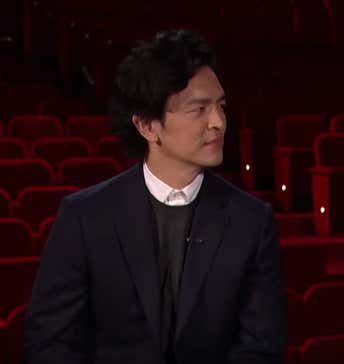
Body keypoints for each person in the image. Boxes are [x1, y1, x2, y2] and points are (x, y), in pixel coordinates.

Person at [23, 29, 286, 363]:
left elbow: (261, 348)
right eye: (199, 109)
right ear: (148, 126)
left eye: (220, 106)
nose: (218, 122)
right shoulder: (85, 217)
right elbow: (49, 344)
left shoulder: (252, 221)